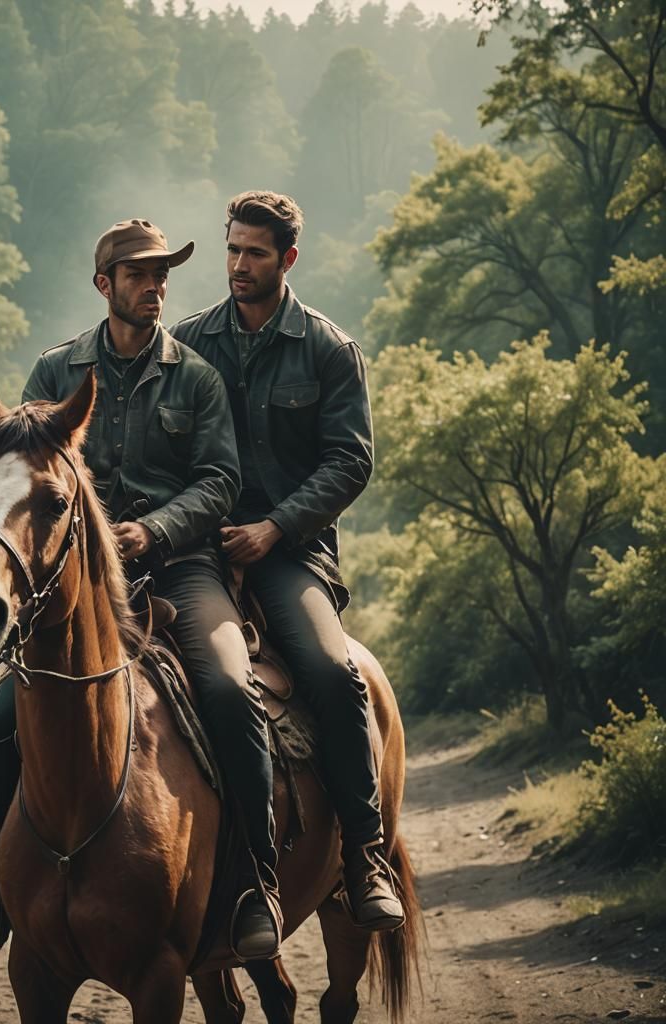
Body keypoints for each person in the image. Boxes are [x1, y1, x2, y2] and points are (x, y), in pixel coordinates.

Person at [0, 218, 282, 960]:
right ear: (104, 285)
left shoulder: (197, 377)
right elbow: (18, 474)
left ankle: (253, 885)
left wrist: (154, 531)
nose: (155, 288)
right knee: (0, 716)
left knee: (228, 686)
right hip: (72, 575)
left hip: (179, 565)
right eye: (139, 276)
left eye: (162, 276)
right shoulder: (56, 374)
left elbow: (221, 481)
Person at [170, 191, 405, 931]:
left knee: (335, 675)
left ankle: (365, 855)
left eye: (256, 254)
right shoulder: (185, 342)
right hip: (190, 553)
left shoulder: (327, 349)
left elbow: (350, 462)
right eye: (233, 250)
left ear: (288, 260)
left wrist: (273, 528)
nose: (239, 265)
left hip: (290, 554)